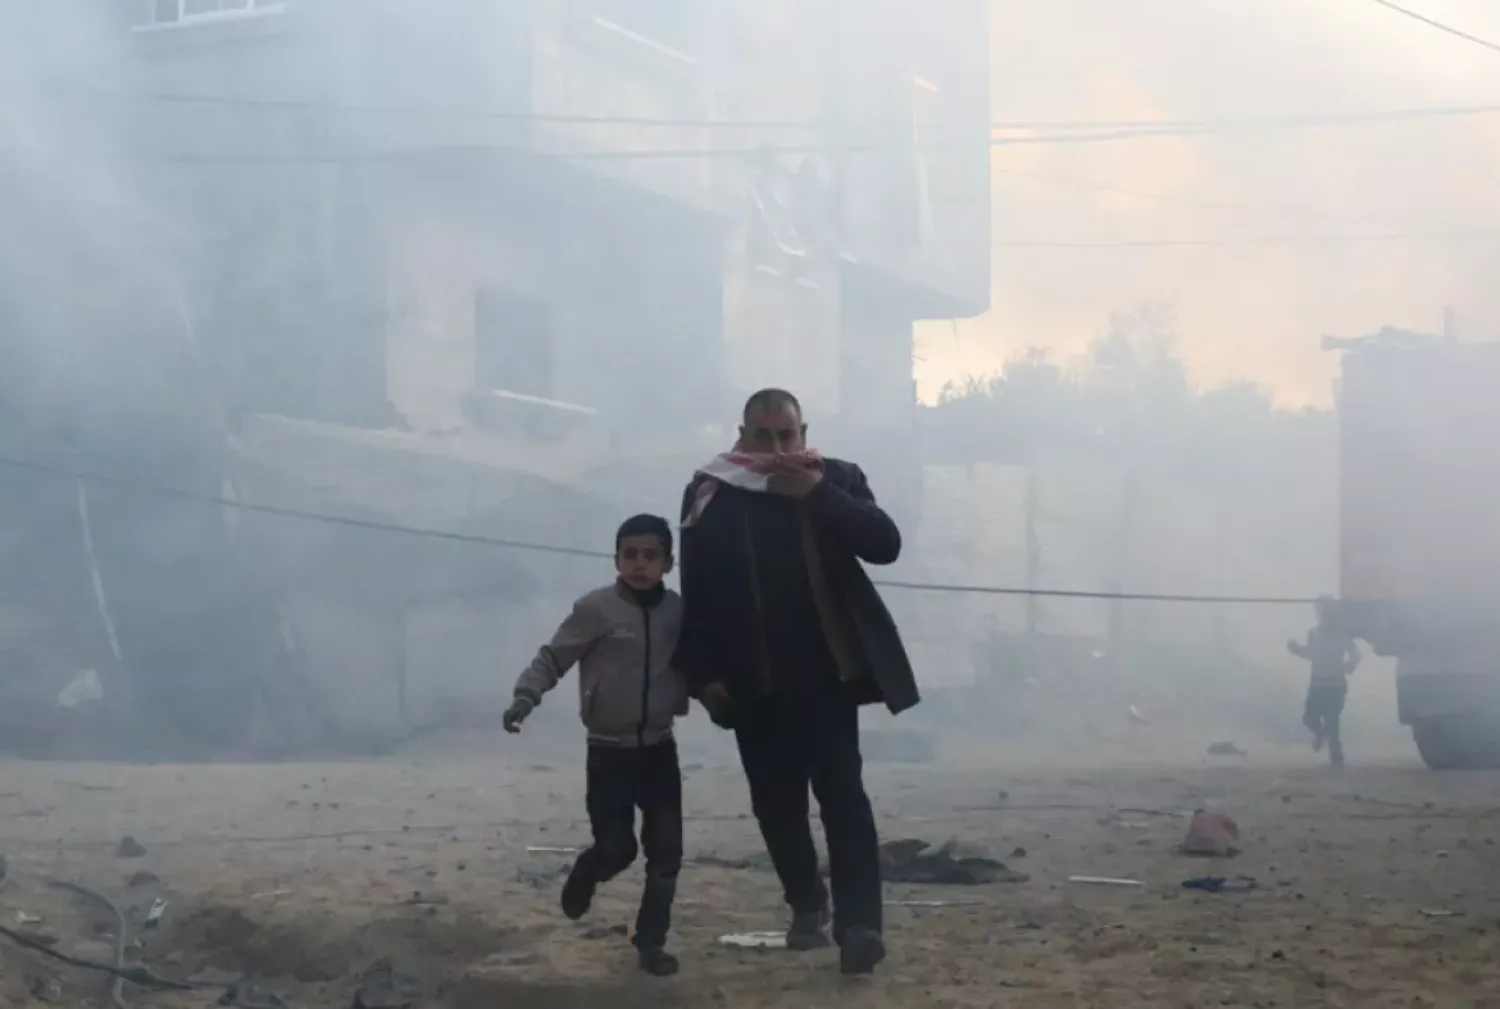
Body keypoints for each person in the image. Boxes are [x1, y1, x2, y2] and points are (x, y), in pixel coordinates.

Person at [673, 388, 919, 976]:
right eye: (765, 436)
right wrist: (703, 676)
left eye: (789, 436)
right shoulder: (713, 489)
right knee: (777, 807)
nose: (779, 448)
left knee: (844, 800)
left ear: (803, 433)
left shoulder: (836, 478)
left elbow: (884, 544)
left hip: (828, 676)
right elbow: (697, 590)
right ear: (743, 435)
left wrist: (816, 495)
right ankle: (808, 903)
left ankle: (861, 928)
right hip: (751, 681)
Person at [503, 514, 687, 976]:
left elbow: (703, 662)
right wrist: (526, 697)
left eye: (651, 556)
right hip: (609, 751)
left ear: (668, 561)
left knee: (666, 853)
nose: (640, 564)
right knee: (618, 848)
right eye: (631, 555)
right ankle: (587, 872)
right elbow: (554, 657)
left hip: (660, 748)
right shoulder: (596, 610)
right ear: (617, 559)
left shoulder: (678, 612)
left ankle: (650, 944)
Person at [1287, 595, 1361, 768]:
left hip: (1335, 684)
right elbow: (1311, 654)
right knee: (1309, 718)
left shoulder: (1343, 634)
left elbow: (1355, 655)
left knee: (1332, 720)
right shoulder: (1313, 633)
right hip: (1317, 684)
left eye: (1326, 611)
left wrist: (1349, 665)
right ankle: (1320, 734)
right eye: (1319, 611)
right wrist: (1297, 650)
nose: (1323, 615)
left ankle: (1337, 758)